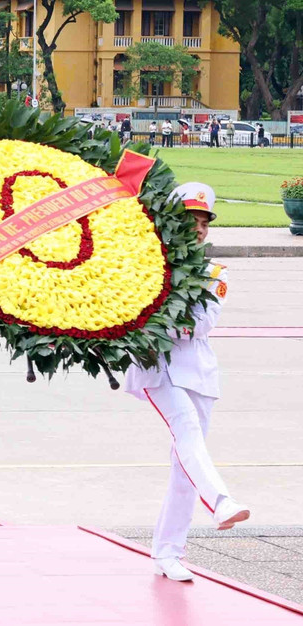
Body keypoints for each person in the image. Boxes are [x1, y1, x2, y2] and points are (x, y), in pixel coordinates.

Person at [124, 182, 250, 583]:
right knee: (188, 431)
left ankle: (167, 552)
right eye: (190, 220)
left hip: (198, 372)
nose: (197, 228)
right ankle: (222, 501)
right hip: (156, 368)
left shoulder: (215, 273)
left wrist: (158, 319)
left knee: (184, 466)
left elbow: (200, 325)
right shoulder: (146, 264)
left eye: (203, 222)